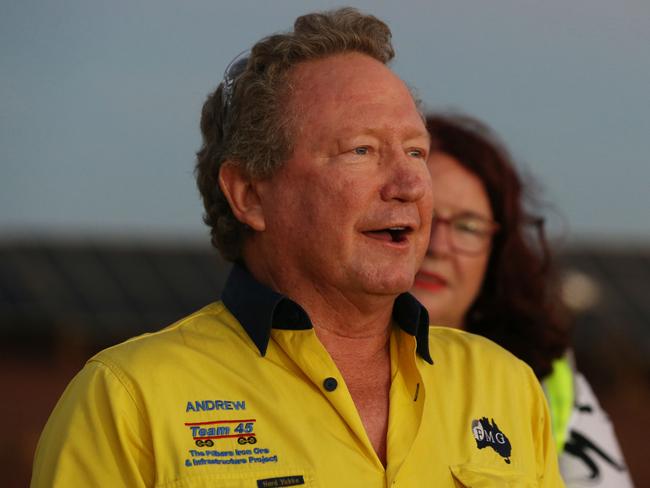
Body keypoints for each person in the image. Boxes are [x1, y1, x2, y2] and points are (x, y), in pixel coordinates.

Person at [32, 9, 563, 487]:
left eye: (415, 151)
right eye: (362, 150)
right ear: (250, 194)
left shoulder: (504, 385)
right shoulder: (127, 400)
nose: (411, 184)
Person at [411, 113, 633, 487]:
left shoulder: (548, 380)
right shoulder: (302, 358)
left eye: (468, 226)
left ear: (497, 253)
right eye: (423, 216)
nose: (438, 246)